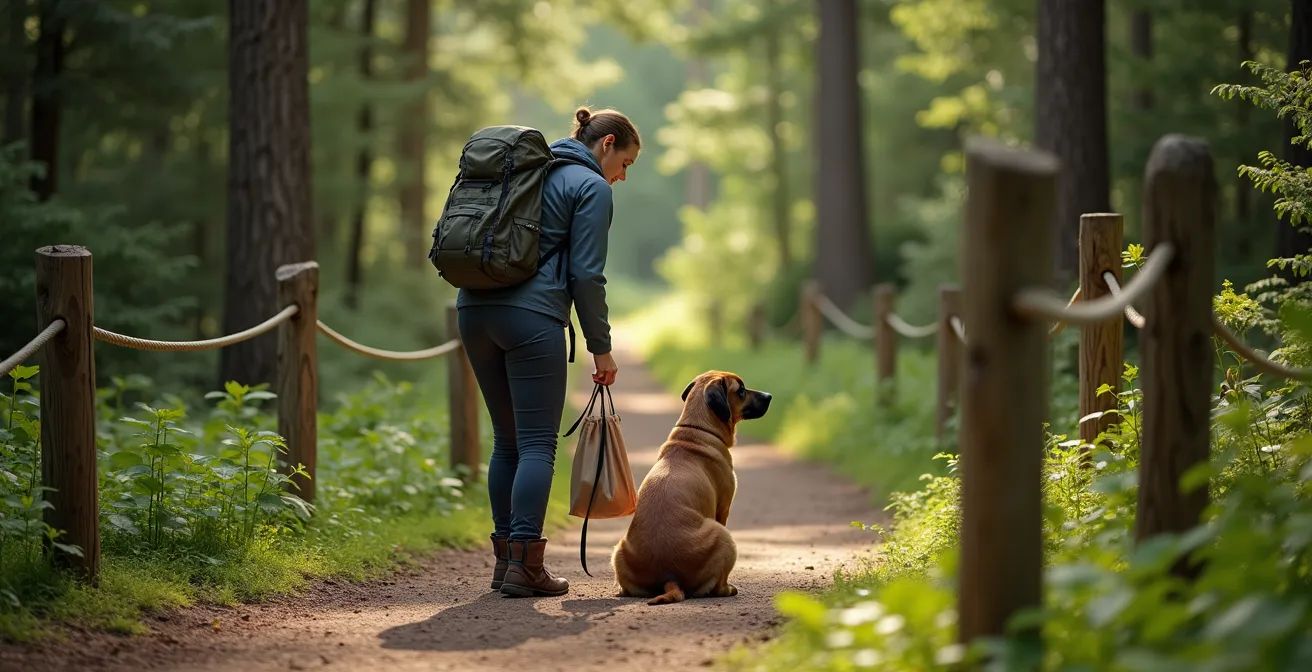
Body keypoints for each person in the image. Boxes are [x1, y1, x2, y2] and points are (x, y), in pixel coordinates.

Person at [455, 106, 640, 598]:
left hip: (472, 312)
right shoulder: (590, 187)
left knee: (507, 442)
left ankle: (504, 565)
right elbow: (586, 276)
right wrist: (601, 350)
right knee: (538, 445)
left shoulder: (528, 171)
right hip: (531, 320)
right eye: (625, 163)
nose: (621, 177)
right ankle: (525, 567)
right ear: (607, 145)